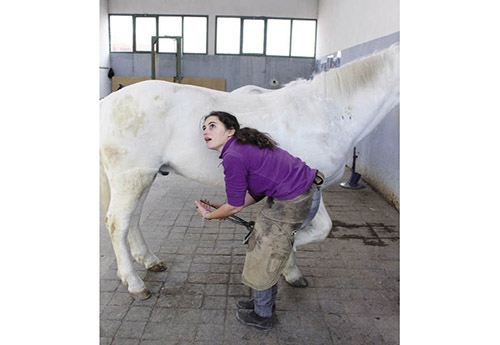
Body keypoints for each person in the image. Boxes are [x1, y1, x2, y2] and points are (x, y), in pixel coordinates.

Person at [195, 111, 324, 331]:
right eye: (204, 128)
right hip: (298, 193)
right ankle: (262, 301)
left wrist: (210, 215)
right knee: (262, 247)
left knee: (265, 253)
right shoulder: (242, 147)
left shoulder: (233, 156)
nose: (206, 131)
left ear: (230, 131)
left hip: (297, 199)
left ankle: (262, 315)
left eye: (212, 126)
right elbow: (255, 192)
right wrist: (221, 210)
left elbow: (235, 204)